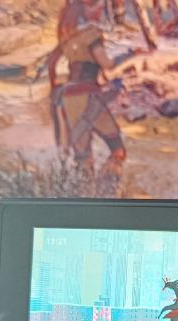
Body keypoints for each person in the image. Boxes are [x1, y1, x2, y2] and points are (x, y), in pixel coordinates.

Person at [48, 0, 136, 190]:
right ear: (84, 10)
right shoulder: (91, 33)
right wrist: (129, 57)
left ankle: (86, 193)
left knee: (83, 158)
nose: (99, 10)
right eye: (96, 6)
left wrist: (54, 85)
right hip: (88, 96)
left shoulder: (67, 37)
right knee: (118, 150)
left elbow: (52, 62)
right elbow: (107, 64)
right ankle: (107, 190)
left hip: (69, 97)